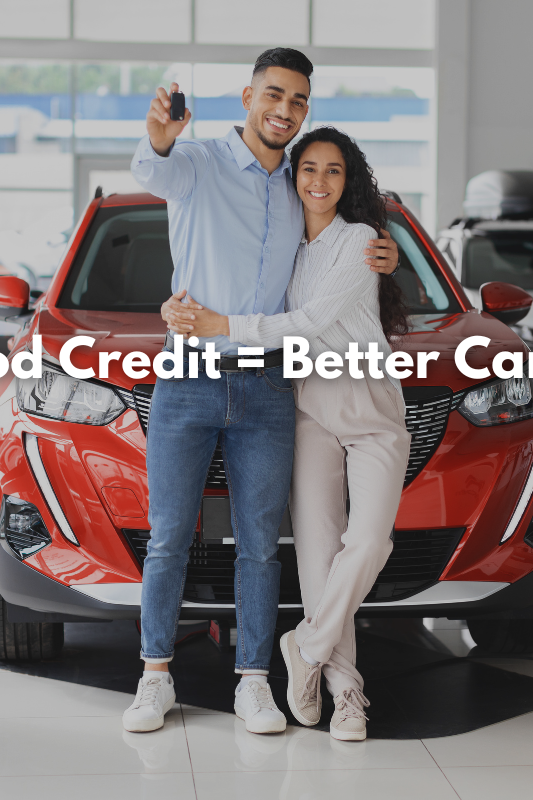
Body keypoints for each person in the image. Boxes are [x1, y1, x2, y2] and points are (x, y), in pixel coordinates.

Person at [121, 48, 399, 735]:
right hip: (188, 376)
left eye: (298, 100)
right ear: (248, 96)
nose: (284, 110)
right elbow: (153, 167)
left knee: (257, 545)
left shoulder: (300, 186)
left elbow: (343, 245)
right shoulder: (203, 162)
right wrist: (159, 134)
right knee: (166, 541)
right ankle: (154, 677)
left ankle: (253, 680)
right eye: (274, 94)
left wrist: (385, 250)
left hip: (275, 386)